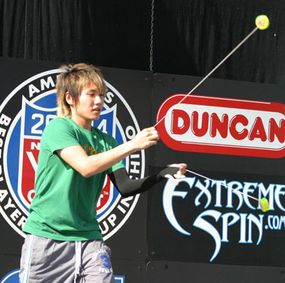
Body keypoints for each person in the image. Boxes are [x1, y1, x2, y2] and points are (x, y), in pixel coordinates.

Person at [19, 63, 187, 283]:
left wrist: (162, 174)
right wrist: (133, 145)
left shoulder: (106, 141)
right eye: (91, 94)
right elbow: (86, 167)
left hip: (90, 240)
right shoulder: (59, 128)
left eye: (101, 95)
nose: (99, 101)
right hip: (47, 241)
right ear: (70, 98)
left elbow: (125, 187)